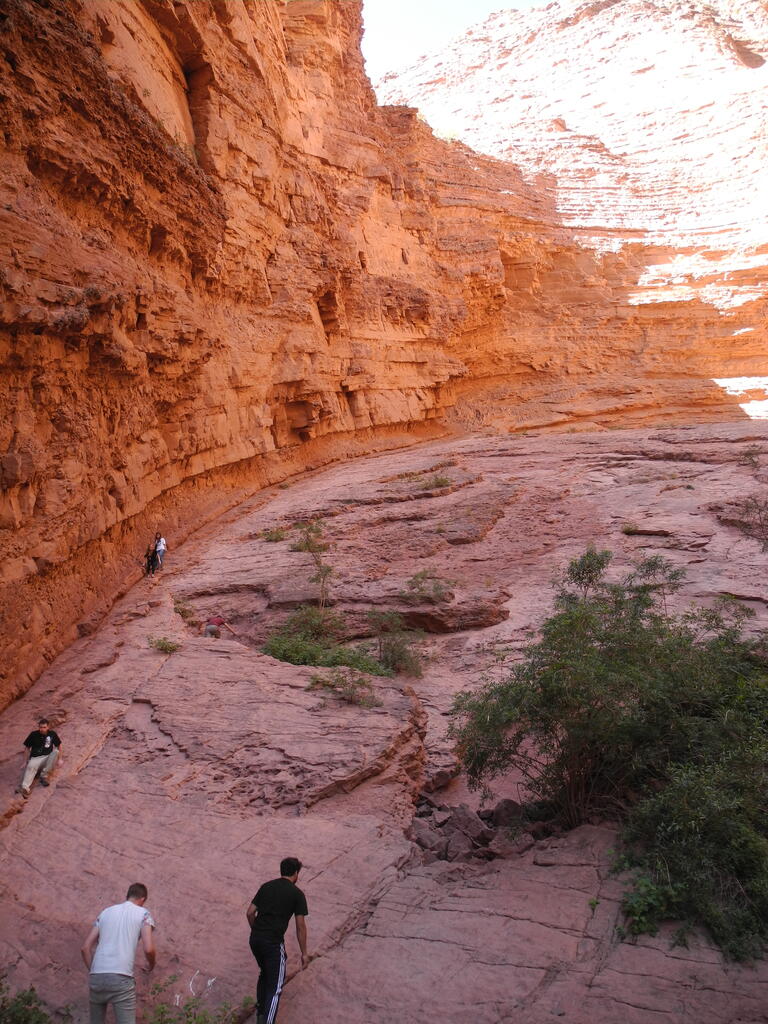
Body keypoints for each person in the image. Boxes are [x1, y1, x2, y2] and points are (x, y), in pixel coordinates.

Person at [81, 882, 156, 1024]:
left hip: (97, 976)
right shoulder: (144, 914)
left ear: (128, 895)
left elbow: (85, 948)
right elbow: (149, 949)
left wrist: (95, 971)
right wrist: (152, 964)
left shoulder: (105, 912)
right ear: (142, 899)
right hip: (121, 976)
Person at [247, 857, 309, 1024]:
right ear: (295, 873)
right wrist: (304, 953)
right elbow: (300, 926)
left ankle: (261, 1016)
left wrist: (256, 931)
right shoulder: (297, 894)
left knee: (265, 973)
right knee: (275, 987)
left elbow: (250, 913)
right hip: (273, 943)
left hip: (255, 939)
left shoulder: (266, 886)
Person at [17, 717, 62, 797]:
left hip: (46, 758)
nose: (42, 729)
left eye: (44, 727)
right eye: (40, 727)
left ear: (48, 727)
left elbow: (59, 745)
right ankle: (25, 788)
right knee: (30, 767)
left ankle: (43, 776)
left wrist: (60, 759)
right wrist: (25, 761)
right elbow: (27, 748)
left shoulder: (52, 734)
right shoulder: (33, 734)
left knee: (56, 752)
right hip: (35, 758)